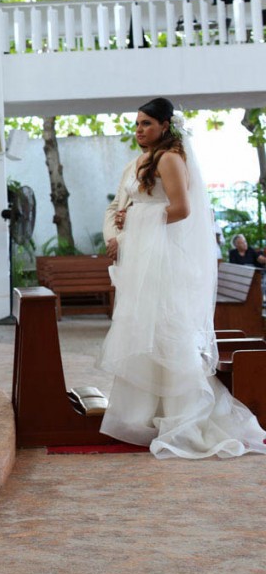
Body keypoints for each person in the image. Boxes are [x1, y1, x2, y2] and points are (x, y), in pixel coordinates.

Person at [96, 97, 266, 459]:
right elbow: (143, 205)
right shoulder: (147, 159)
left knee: (167, 332)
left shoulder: (170, 159)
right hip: (147, 256)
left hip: (165, 261)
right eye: (137, 123)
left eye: (146, 123)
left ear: (165, 126)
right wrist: (127, 222)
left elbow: (182, 209)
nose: (139, 130)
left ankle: (182, 417)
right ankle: (142, 416)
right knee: (146, 330)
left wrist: (136, 219)